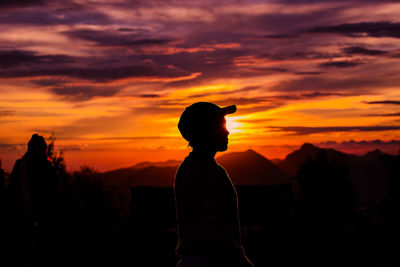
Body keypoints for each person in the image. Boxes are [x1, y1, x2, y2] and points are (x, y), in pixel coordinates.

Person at [174, 102, 254, 267]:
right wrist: (240, 261)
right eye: (220, 126)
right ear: (204, 132)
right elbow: (217, 226)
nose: (227, 131)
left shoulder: (194, 168)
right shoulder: (207, 171)